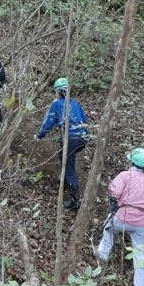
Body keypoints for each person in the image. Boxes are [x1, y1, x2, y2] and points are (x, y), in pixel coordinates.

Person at [95, 148, 144, 286]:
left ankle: (103, 254)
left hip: (123, 217)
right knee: (141, 255)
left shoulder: (125, 175)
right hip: (143, 222)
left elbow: (114, 193)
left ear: (132, 162)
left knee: (107, 228)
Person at [34, 78, 88, 209]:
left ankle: (75, 200)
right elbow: (85, 122)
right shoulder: (76, 103)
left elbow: (48, 122)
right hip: (82, 138)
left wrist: (39, 135)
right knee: (63, 156)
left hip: (70, 138)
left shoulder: (57, 104)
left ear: (58, 91)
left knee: (68, 165)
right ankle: (63, 179)